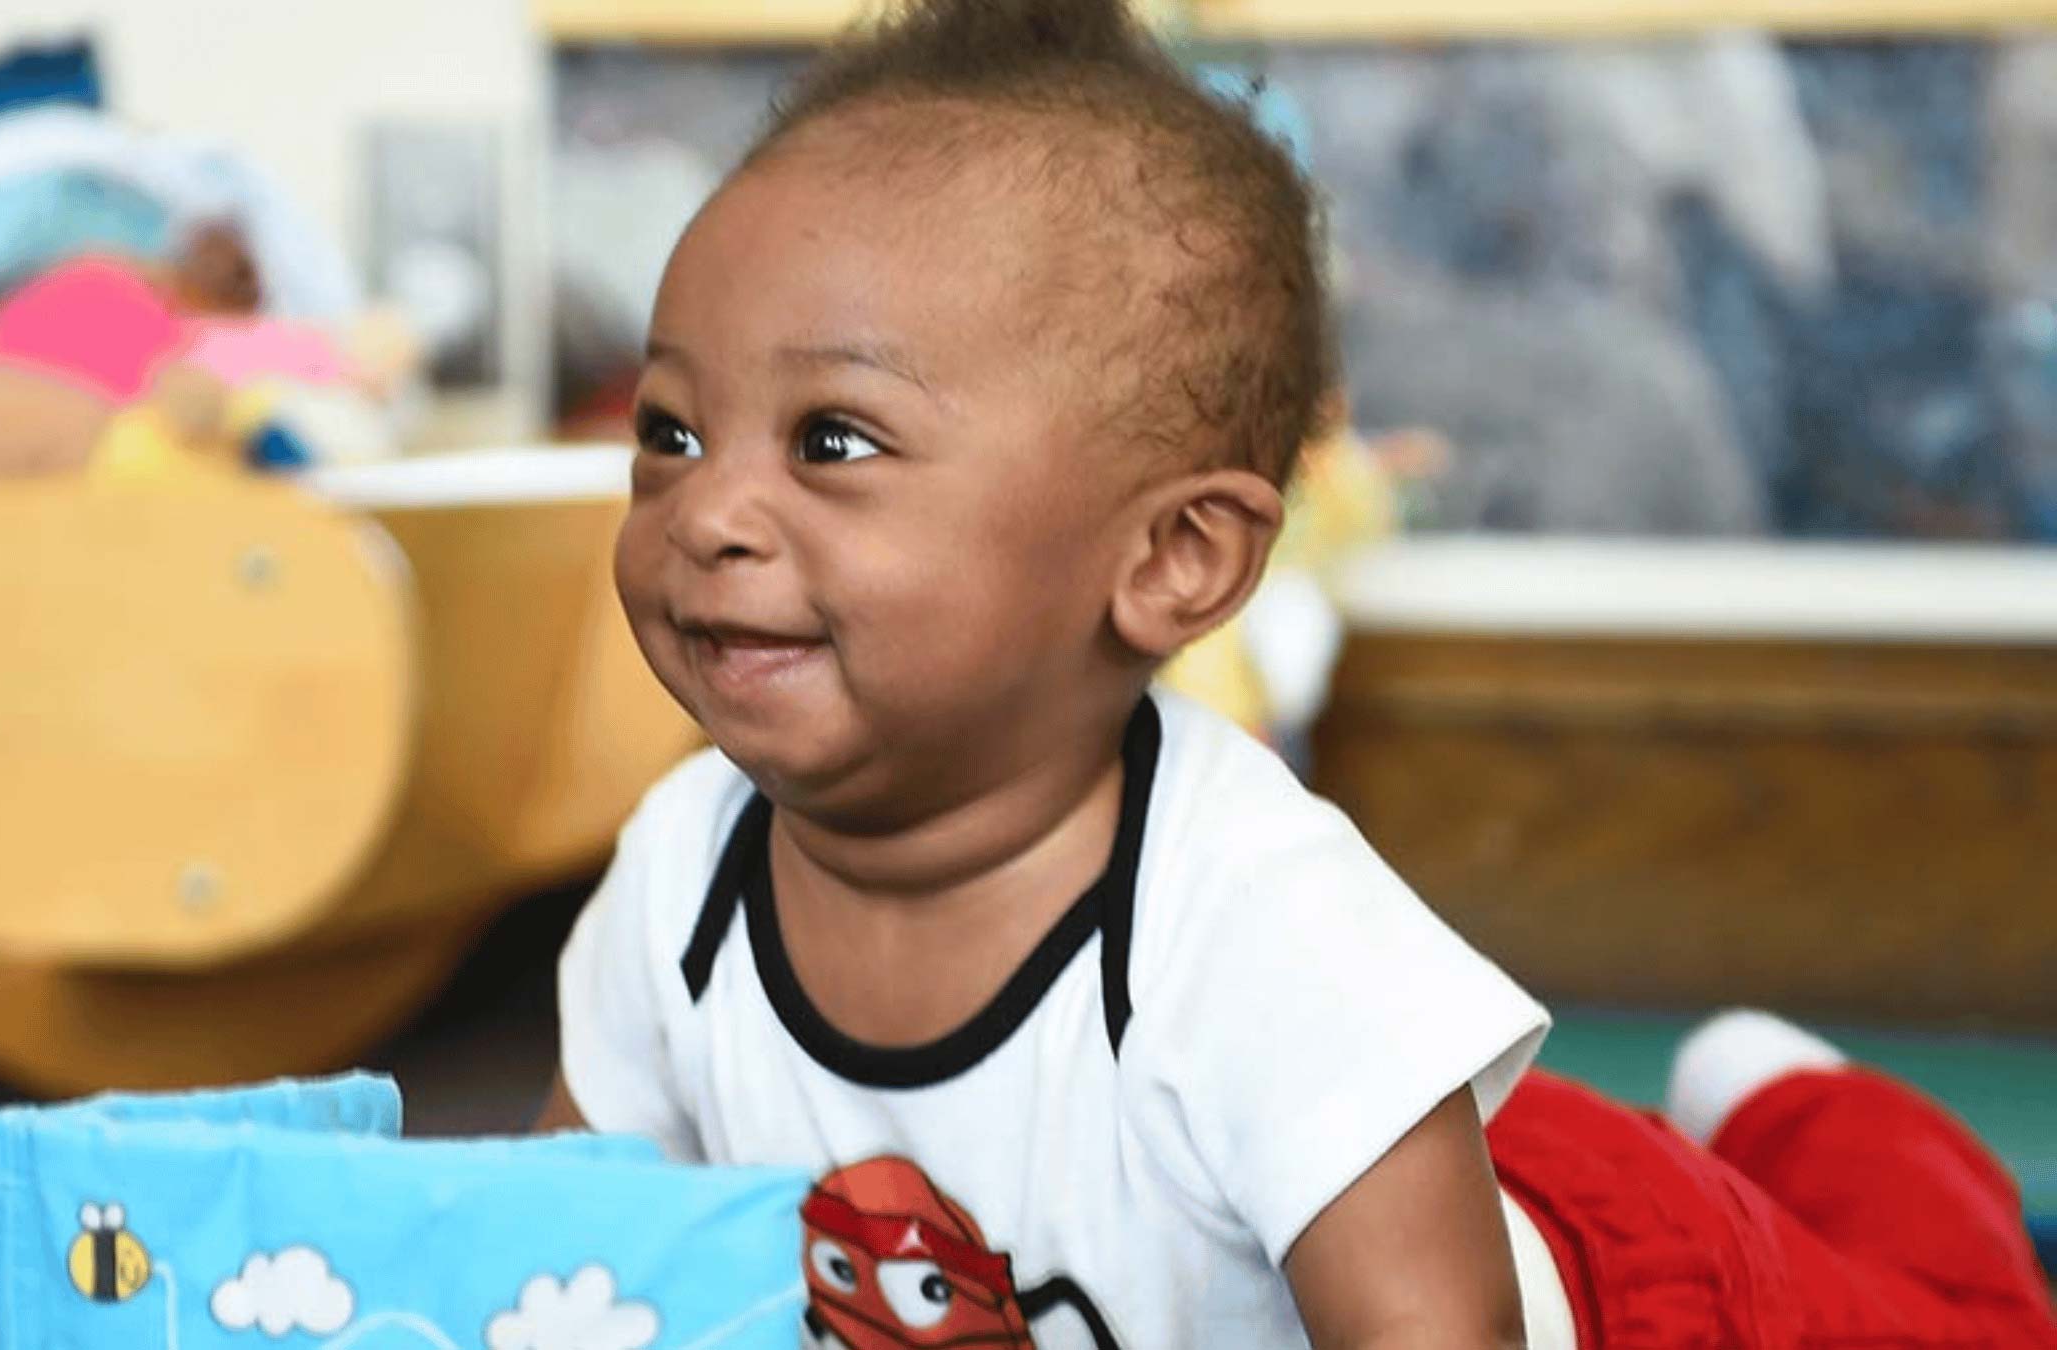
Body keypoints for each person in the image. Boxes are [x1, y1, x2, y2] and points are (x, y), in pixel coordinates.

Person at [538, 2, 2057, 1346]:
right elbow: (550, 1261)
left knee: (1958, 1313)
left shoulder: (1255, 929)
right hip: (1350, 1174)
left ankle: (1802, 1103)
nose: (710, 512)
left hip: (1617, 1286)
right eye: (670, 432)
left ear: (1173, 560)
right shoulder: (681, 879)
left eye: (833, 442)